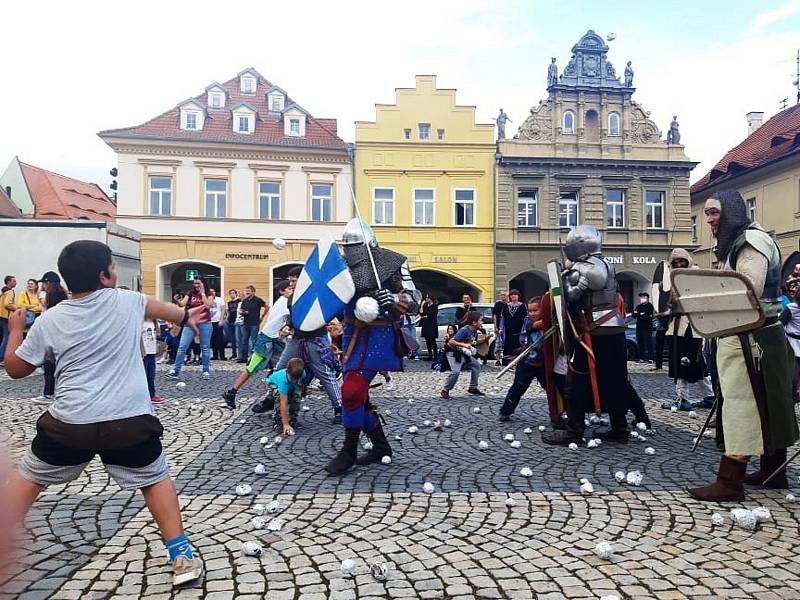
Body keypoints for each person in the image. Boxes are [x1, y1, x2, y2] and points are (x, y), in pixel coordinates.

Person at [2, 240, 206, 586]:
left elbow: (16, 369)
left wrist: (16, 330)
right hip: (127, 422)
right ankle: (181, 556)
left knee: (29, 476)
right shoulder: (128, 301)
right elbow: (165, 311)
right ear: (105, 275)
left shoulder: (51, 319)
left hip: (70, 423)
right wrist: (188, 317)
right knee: (155, 479)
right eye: (113, 266)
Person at [688, 190, 799, 501]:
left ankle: (730, 481)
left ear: (733, 211)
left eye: (714, 213)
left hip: (751, 337)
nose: (710, 219)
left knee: (742, 402)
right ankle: (773, 471)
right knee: (770, 403)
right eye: (707, 213)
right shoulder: (746, 240)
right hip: (763, 336)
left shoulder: (751, 242)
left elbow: (746, 288)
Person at [324, 218, 421, 475]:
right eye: (348, 247)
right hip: (351, 336)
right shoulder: (341, 267)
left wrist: (394, 298)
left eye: (356, 246)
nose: (352, 252)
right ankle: (381, 445)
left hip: (380, 336)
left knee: (352, 392)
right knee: (358, 398)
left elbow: (415, 300)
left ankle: (348, 451)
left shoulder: (392, 261)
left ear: (369, 244)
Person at [542, 225, 630, 445]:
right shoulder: (608, 264)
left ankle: (574, 432)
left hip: (594, 331)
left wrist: (563, 281)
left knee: (577, 380)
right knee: (615, 379)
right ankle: (620, 428)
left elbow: (571, 297)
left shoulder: (584, 267)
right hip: (615, 329)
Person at [223, 280, 292, 410]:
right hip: (266, 339)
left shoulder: (283, 302)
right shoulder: (284, 302)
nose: (292, 290)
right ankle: (231, 392)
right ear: (282, 291)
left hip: (276, 340)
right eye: (289, 289)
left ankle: (271, 394)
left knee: (281, 367)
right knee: (252, 368)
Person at [660, 248, 715, 411]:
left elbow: (699, 300)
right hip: (678, 327)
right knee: (682, 364)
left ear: (687, 261)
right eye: (675, 262)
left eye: (681, 261)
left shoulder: (696, 277)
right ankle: (701, 397)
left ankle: (689, 399)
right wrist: (664, 291)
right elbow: (666, 303)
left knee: (693, 364)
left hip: (691, 327)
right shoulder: (671, 280)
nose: (678, 264)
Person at [499, 297, 547, 421]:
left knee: (552, 388)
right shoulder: (528, 321)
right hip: (527, 363)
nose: (532, 313)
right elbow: (538, 325)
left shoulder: (547, 320)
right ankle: (505, 411)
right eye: (530, 311)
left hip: (543, 363)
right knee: (518, 387)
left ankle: (560, 413)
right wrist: (553, 318)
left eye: (535, 310)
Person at [33, 272, 68, 404]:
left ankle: (49, 393)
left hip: (52, 332)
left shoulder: (52, 295)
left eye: (44, 283)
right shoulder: (62, 293)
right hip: (60, 331)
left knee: (49, 364)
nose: (43, 285)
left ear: (48, 283)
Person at [168, 277, 213, 380]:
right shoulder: (191, 293)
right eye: (195, 283)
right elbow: (182, 304)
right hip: (190, 323)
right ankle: (175, 370)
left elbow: (207, 306)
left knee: (205, 348)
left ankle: (206, 371)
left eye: (198, 283)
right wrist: (177, 301)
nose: (196, 285)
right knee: (182, 347)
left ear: (203, 283)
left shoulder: (209, 293)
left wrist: (202, 293)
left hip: (205, 323)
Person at [440, 311, 485, 399]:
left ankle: (473, 387)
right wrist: (464, 345)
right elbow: (451, 341)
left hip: (464, 353)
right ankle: (445, 390)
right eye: (481, 320)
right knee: (456, 372)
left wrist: (484, 339)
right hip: (454, 353)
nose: (482, 322)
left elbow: (472, 342)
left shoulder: (475, 331)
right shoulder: (464, 330)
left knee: (476, 366)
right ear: (474, 322)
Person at [263, 357, 306, 434]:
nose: (293, 380)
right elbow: (283, 403)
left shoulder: (302, 374)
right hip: (272, 383)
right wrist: (285, 424)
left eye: (295, 379)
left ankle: (293, 420)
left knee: (296, 398)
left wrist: (302, 392)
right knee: (279, 397)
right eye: (291, 378)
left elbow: (302, 383)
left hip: (290, 386)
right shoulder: (283, 381)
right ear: (287, 371)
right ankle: (278, 422)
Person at [781, 287, 800, 402]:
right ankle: (791, 396)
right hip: (793, 344)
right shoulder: (791, 308)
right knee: (794, 373)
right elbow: (781, 324)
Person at [237, 286, 266, 362]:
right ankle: (244, 358)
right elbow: (242, 309)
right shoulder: (245, 300)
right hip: (246, 323)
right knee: (244, 341)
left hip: (254, 323)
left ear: (253, 292)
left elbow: (267, 306)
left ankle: (253, 358)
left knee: (253, 341)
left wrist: (262, 316)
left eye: (249, 291)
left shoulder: (258, 300)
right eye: (246, 291)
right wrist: (242, 312)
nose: (247, 292)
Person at [499, 289, 525, 364]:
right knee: (508, 345)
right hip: (508, 330)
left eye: (515, 294)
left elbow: (526, 318)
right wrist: (501, 328)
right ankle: (506, 362)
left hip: (519, 330)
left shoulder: (522, 306)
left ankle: (517, 361)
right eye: (512, 295)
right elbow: (502, 318)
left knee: (518, 345)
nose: (513, 296)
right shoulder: (506, 306)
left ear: (518, 296)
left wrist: (525, 328)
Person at [0, 275, 18, 365]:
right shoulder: (10, 292)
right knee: (6, 337)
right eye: (14, 281)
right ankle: (2, 358)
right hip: (6, 317)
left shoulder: (3, 291)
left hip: (1, 316)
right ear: (9, 282)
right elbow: (7, 304)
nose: (16, 282)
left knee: (3, 336)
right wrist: (17, 308)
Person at [632, 292, 654, 362]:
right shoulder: (638, 306)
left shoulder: (650, 306)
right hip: (639, 328)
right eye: (641, 297)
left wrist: (640, 314)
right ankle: (641, 358)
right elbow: (633, 314)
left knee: (649, 343)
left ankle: (651, 358)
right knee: (640, 343)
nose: (642, 299)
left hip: (647, 328)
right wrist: (640, 314)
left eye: (643, 297)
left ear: (647, 298)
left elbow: (648, 315)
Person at [142, 318, 160, 403]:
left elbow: (158, 335)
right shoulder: (141, 322)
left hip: (152, 352)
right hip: (144, 353)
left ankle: (152, 394)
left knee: (151, 375)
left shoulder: (154, 323)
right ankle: (143, 395)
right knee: (143, 374)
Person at [208, 288, 226, 360]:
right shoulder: (207, 299)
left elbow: (223, 309)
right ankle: (215, 355)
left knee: (220, 339)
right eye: (210, 292)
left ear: (215, 292)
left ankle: (222, 355)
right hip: (209, 322)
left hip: (218, 321)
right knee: (212, 339)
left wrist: (221, 320)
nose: (212, 293)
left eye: (213, 291)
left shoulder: (220, 299)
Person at [492, 290, 508, 366]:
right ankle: (498, 360)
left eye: (504, 295)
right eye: (501, 295)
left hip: (507, 328)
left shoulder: (509, 304)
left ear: (507, 295)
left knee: (507, 344)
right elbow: (494, 315)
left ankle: (506, 359)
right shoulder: (498, 304)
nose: (502, 296)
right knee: (498, 344)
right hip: (499, 327)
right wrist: (495, 326)